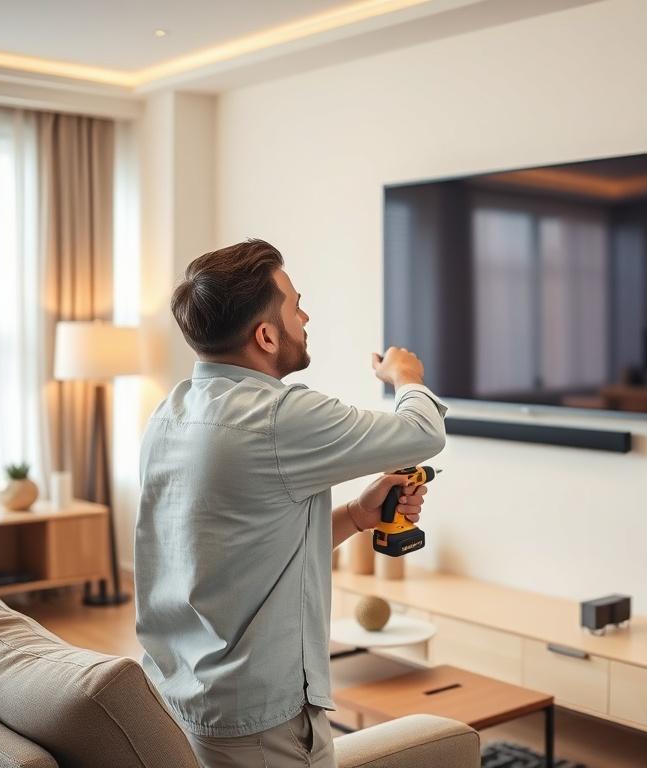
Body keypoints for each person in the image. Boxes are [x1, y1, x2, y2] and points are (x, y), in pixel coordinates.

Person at [134, 239, 447, 768]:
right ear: (265, 335)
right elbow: (422, 431)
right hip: (261, 724)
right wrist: (406, 377)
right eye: (296, 304)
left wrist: (355, 515)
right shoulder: (279, 416)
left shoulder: (169, 413)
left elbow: (235, 559)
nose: (305, 316)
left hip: (180, 699)